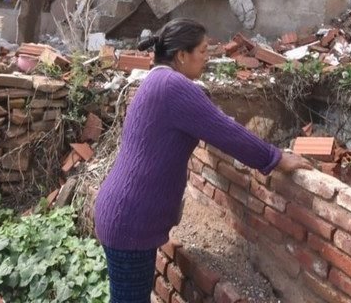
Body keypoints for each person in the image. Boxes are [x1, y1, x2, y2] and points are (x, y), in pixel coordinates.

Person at [93, 18, 311, 302]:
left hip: (124, 213)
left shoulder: (157, 80)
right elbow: (227, 133)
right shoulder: (173, 86)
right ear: (182, 55)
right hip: (130, 220)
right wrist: (276, 158)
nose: (207, 58)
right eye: (203, 51)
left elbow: (207, 121)